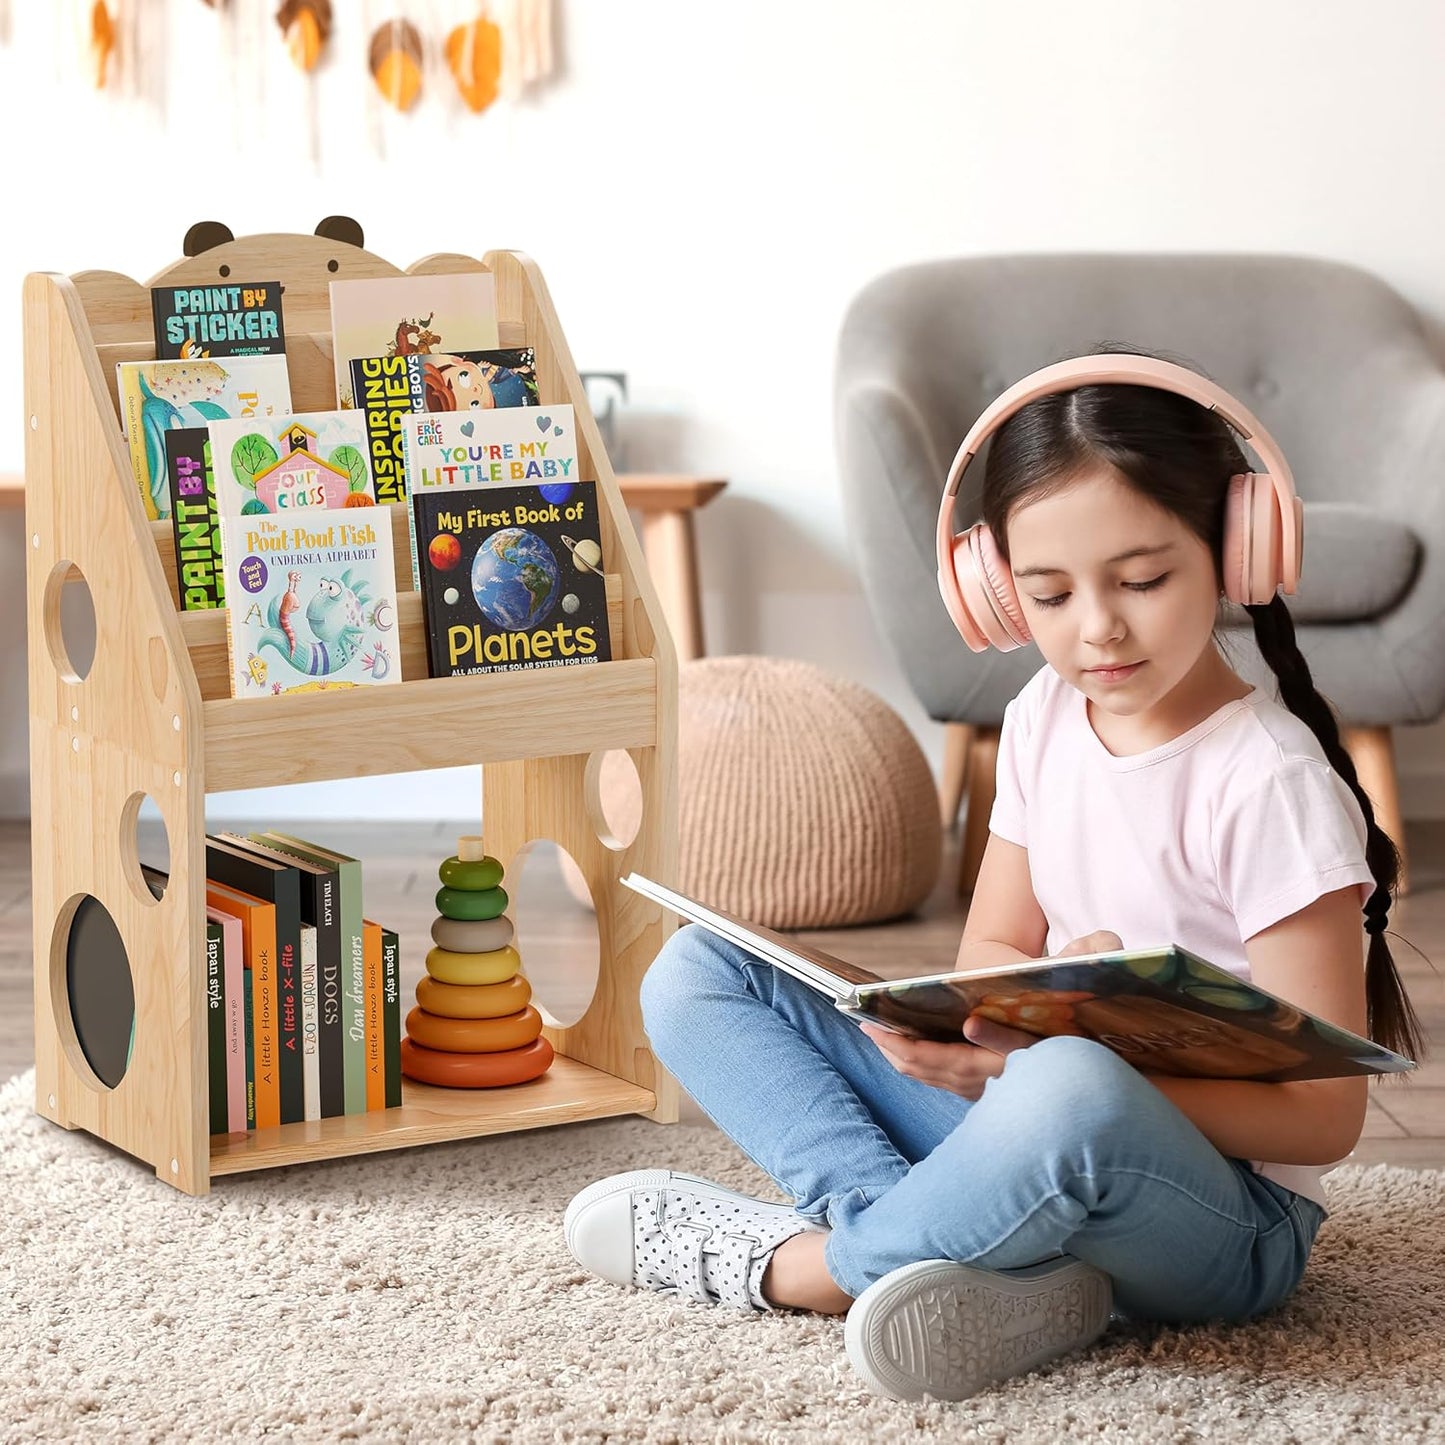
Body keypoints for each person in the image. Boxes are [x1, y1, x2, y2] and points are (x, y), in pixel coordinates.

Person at [562, 349, 1425, 1403]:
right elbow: (990, 957)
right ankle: (946, 1250)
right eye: (1048, 593)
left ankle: (808, 1267)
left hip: (1226, 1222)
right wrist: (1004, 1016)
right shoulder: (1039, 718)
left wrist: (1069, 1057)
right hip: (1019, 1123)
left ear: (1234, 549)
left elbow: (1322, 1117)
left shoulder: (1267, 783)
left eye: (1142, 579)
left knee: (1071, 1086)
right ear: (991, 588)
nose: (1096, 628)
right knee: (696, 968)